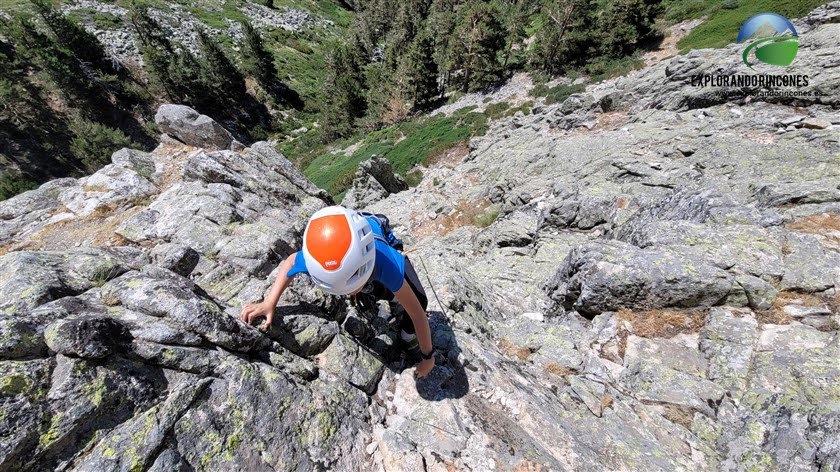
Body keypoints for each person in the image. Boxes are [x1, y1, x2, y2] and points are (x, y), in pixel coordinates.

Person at [239, 205, 435, 377]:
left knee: (417, 299)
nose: (348, 294)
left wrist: (428, 357)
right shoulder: (317, 258)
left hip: (377, 243)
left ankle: (406, 335)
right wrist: (269, 302)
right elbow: (291, 261)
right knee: (376, 290)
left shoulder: (386, 264)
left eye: (351, 289)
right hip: (352, 245)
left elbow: (418, 314)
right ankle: (386, 299)